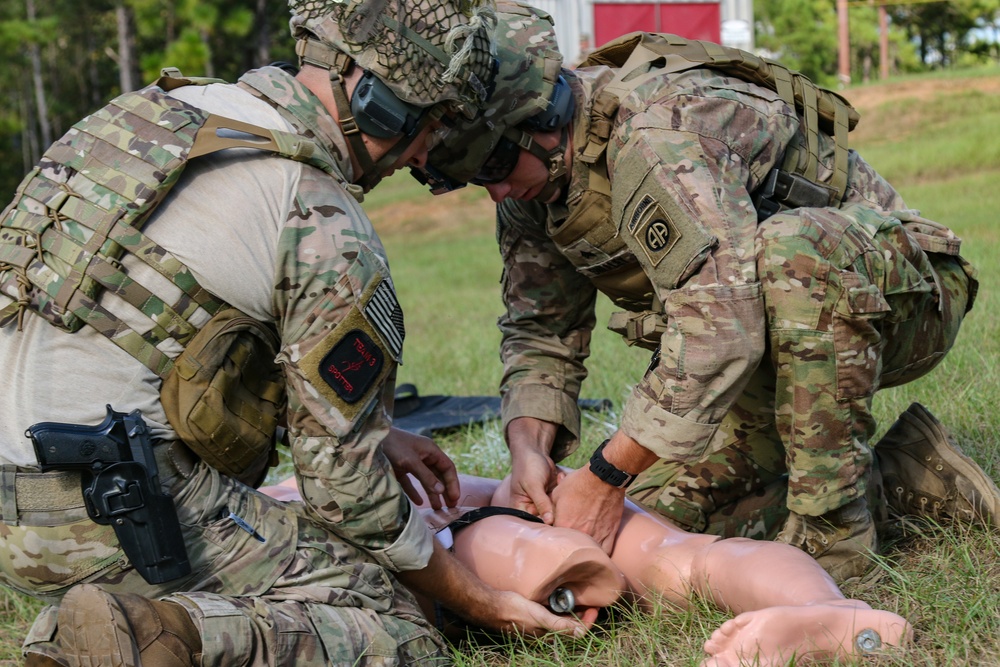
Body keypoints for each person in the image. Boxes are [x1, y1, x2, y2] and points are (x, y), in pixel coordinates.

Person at [0, 1, 589, 665]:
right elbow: (349, 496)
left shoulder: (150, 115)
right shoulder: (319, 216)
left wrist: (380, 432)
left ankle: (90, 623)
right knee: (401, 627)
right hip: (118, 514)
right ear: (378, 106)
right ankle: (162, 637)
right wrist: (483, 600)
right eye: (432, 124)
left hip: (10, 513)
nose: (426, 154)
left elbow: (160, 331)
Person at [413, 1, 999, 582]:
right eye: (468, 177)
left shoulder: (657, 133)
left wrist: (605, 475)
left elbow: (724, 328)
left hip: (901, 296)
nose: (495, 194)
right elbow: (541, 331)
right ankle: (906, 475)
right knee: (654, 523)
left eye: (493, 165)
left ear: (543, 120)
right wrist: (529, 449)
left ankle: (836, 535)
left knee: (791, 253)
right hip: (772, 354)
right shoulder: (531, 187)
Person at [260, 472, 915, 667]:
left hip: (456, 548)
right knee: (689, 558)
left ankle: (827, 621)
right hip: (499, 515)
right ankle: (831, 613)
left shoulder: (246, 503)